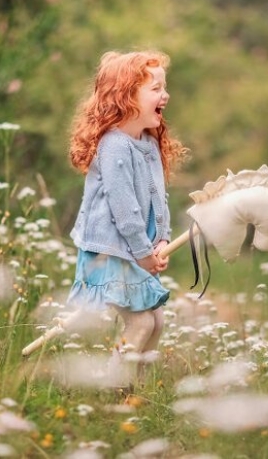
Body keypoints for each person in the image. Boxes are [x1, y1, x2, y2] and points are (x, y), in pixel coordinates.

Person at [66, 50, 187, 373]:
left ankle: (140, 393)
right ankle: (115, 389)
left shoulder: (148, 143)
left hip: (135, 250)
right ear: (126, 98)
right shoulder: (115, 145)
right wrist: (143, 251)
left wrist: (162, 240)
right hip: (110, 252)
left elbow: (158, 201)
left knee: (156, 322)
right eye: (156, 88)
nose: (166, 94)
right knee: (141, 324)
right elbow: (126, 211)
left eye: (164, 86)